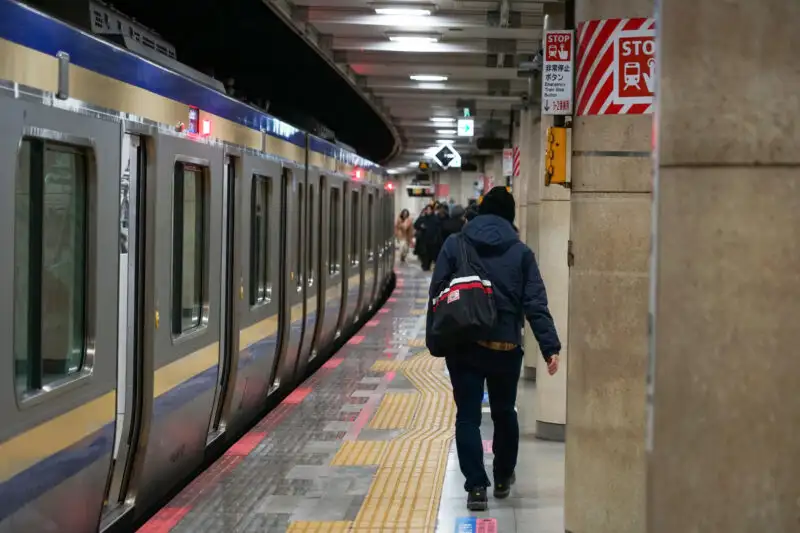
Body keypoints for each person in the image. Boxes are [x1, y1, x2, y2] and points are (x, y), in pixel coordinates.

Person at [427, 186, 561, 511]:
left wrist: (435, 340)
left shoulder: (454, 244)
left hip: (465, 345)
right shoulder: (521, 253)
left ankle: (475, 487)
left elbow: (437, 296)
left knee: (468, 418)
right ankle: (502, 477)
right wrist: (549, 346)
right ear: (510, 217)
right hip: (506, 347)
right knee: (504, 413)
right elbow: (535, 303)